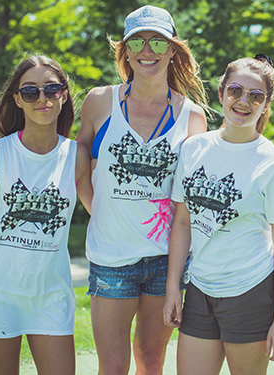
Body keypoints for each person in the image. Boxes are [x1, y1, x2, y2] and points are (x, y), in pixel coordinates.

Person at [75, 5, 208, 374]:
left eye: (157, 41)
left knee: (151, 362)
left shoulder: (192, 115)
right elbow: (78, 152)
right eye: (137, 41)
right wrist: (96, 207)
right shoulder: (100, 101)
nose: (146, 50)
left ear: (172, 50)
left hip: (166, 260)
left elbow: (194, 192)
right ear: (126, 50)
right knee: (113, 368)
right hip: (112, 258)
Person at [163, 54, 274, 375]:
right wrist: (174, 286)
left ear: (266, 104)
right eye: (236, 91)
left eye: (256, 96)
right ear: (221, 92)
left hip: (250, 291)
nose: (244, 102)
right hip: (199, 289)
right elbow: (182, 222)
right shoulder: (193, 148)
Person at [0, 55, 92, 375]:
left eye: (51, 89)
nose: (43, 99)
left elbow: (103, 214)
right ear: (18, 100)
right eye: (31, 92)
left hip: (51, 295)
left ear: (63, 94)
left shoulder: (77, 156)